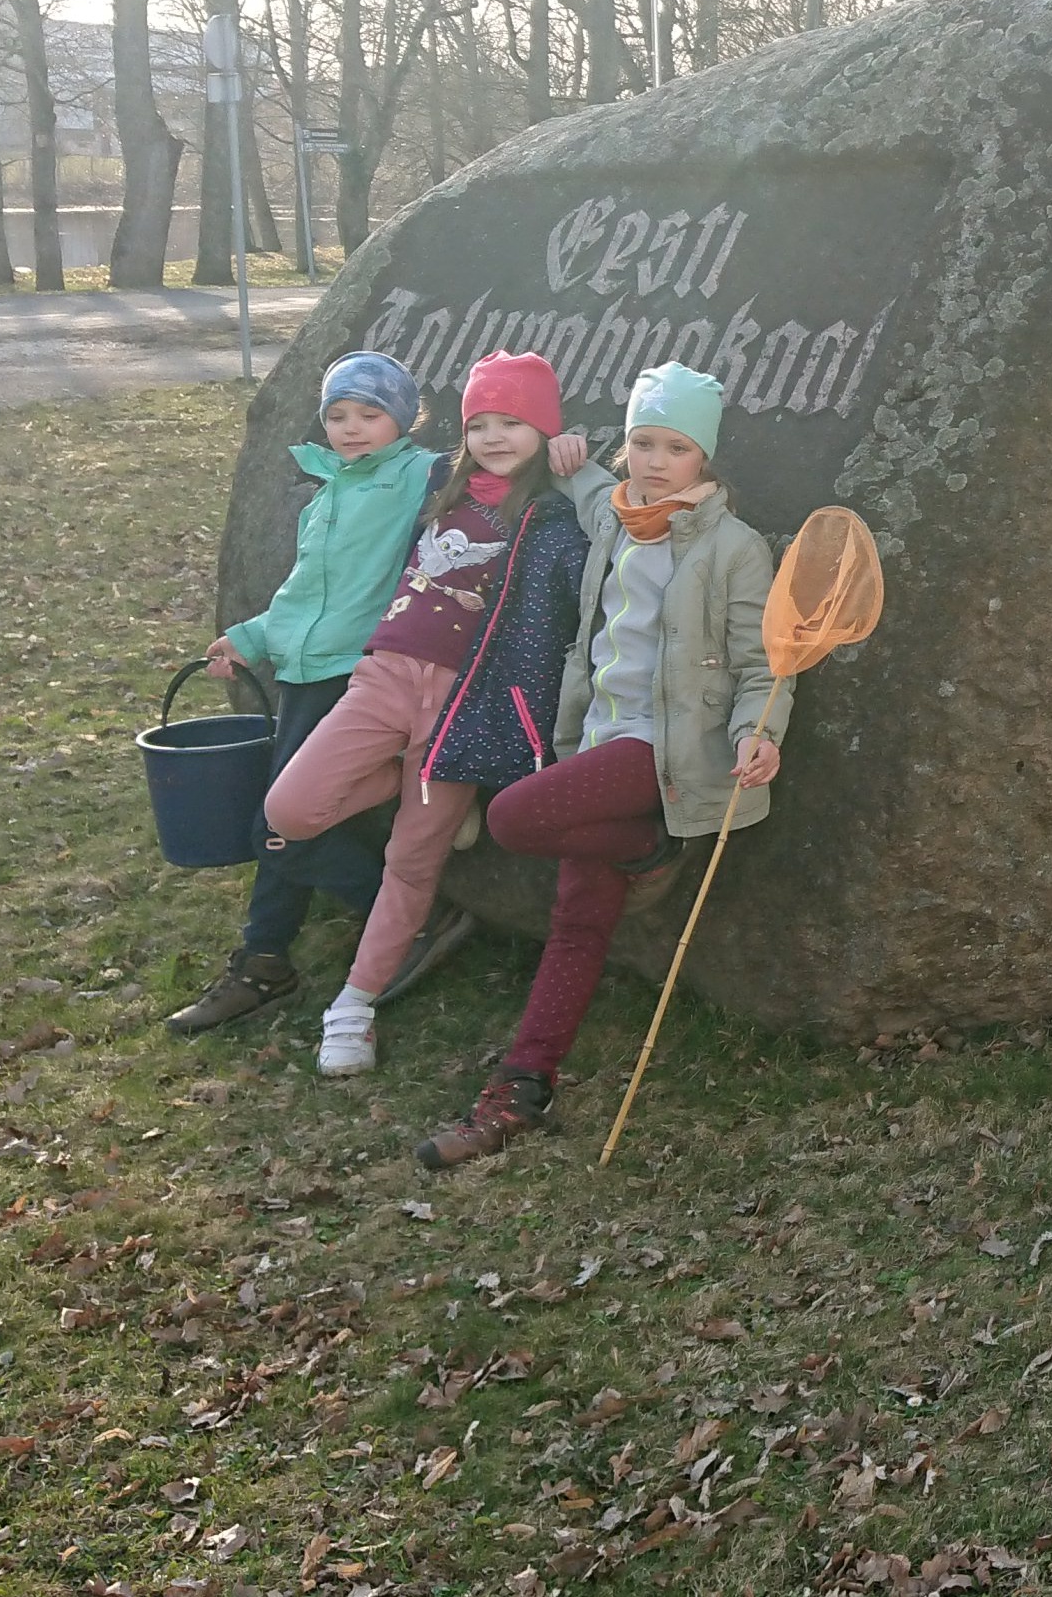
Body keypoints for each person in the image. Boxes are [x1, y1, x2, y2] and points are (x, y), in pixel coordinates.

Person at [417, 363, 793, 1170]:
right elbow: (577, 473)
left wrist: (757, 732)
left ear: (704, 457)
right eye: (643, 443)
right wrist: (568, 451)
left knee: (514, 815)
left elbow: (763, 658)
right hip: (597, 738)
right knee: (577, 923)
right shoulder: (614, 515)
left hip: (669, 748)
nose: (657, 462)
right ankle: (522, 1088)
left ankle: (649, 844)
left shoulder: (733, 546)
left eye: (676, 448)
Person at [257, 352, 614, 1077]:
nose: (493, 437)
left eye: (512, 423)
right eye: (479, 424)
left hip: (466, 706)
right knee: (289, 810)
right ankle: (412, 781)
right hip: (386, 675)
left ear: (543, 430)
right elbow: (374, 456)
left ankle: (354, 1005)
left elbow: (601, 550)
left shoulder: (553, 510)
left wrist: (577, 462)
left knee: (412, 860)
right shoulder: (434, 486)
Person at [164, 352, 435, 1036]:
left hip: (355, 673)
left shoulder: (413, 475)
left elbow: (495, 465)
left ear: (404, 421)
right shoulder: (327, 493)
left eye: (370, 414)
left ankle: (393, 919)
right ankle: (267, 958)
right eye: (338, 415)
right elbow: (305, 593)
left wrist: (560, 447)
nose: (352, 428)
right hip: (302, 675)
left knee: (276, 828)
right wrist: (249, 638)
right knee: (287, 824)